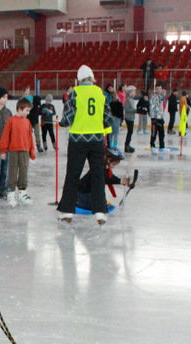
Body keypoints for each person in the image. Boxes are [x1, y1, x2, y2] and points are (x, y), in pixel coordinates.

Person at [56, 65, 111, 225]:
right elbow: (107, 117)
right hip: (96, 140)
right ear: (92, 78)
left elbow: (67, 118)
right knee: (98, 175)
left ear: (79, 79)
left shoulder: (75, 93)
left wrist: (61, 122)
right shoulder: (101, 93)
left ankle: (67, 212)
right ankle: (100, 212)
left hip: (78, 140)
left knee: (73, 175)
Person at [0, 98, 36, 207]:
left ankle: (22, 192)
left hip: (24, 150)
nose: (28, 113)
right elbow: (5, 136)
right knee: (13, 171)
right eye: (27, 110)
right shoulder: (11, 121)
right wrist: (3, 150)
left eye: (29, 111)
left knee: (24, 170)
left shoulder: (27, 122)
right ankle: (11, 192)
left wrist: (32, 151)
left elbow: (30, 138)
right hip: (13, 150)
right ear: (20, 109)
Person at [76, 147, 136, 212]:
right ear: (109, 159)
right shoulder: (99, 167)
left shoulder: (104, 167)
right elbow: (104, 178)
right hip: (83, 196)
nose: (113, 166)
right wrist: (120, 181)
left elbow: (110, 177)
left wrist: (123, 181)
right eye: (113, 164)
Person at [149, 84, 166, 151]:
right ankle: (152, 146)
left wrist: (162, 117)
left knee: (162, 133)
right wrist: (153, 118)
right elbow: (152, 108)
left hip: (160, 118)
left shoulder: (161, 97)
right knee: (154, 133)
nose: (159, 90)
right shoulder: (153, 97)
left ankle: (162, 146)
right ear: (155, 89)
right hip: (155, 118)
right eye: (157, 88)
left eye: (160, 88)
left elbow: (161, 108)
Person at [123, 85, 137, 153]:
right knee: (130, 131)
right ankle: (126, 145)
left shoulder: (131, 99)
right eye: (134, 91)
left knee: (130, 132)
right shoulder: (128, 99)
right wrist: (135, 110)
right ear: (130, 92)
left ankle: (128, 145)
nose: (135, 93)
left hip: (131, 117)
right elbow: (127, 109)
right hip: (129, 117)